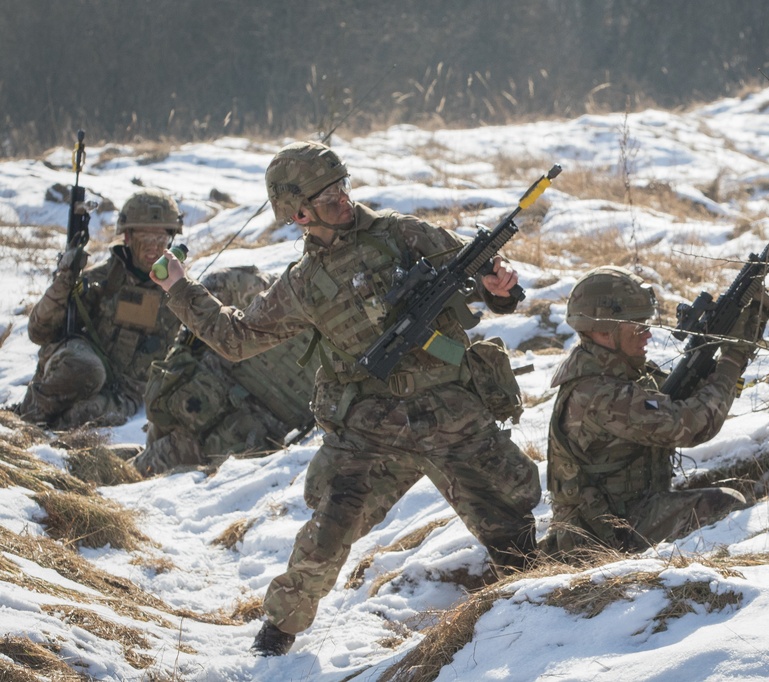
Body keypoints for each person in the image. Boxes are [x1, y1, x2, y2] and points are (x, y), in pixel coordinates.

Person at [151, 140, 541, 657]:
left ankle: (538, 625)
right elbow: (235, 338)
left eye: (342, 186)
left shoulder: (403, 234)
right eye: (326, 195)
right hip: (370, 427)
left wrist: (500, 287)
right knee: (329, 532)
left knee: (512, 520)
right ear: (298, 212)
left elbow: (488, 281)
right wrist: (179, 288)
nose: (342, 199)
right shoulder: (302, 284)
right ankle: (277, 636)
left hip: (451, 413)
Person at [542, 266, 754, 559]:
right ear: (604, 330)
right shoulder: (598, 394)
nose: (648, 335)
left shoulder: (621, 372)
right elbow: (691, 426)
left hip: (630, 513)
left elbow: (683, 400)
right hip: (602, 538)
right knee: (726, 506)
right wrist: (733, 359)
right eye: (638, 326)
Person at [131, 266, 319, 476]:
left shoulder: (354, 338)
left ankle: (115, 470)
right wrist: (188, 344)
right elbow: (220, 285)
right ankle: (109, 468)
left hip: (254, 425)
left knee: (153, 466)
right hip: (206, 389)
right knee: (153, 454)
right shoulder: (284, 288)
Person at [18, 189, 184, 429]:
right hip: (81, 371)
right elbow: (39, 332)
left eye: (160, 241)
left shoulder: (178, 293)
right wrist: (63, 282)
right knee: (86, 368)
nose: (153, 249)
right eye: (145, 239)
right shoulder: (100, 280)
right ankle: (23, 422)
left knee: (82, 417)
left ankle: (41, 443)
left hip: (124, 395)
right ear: (127, 238)